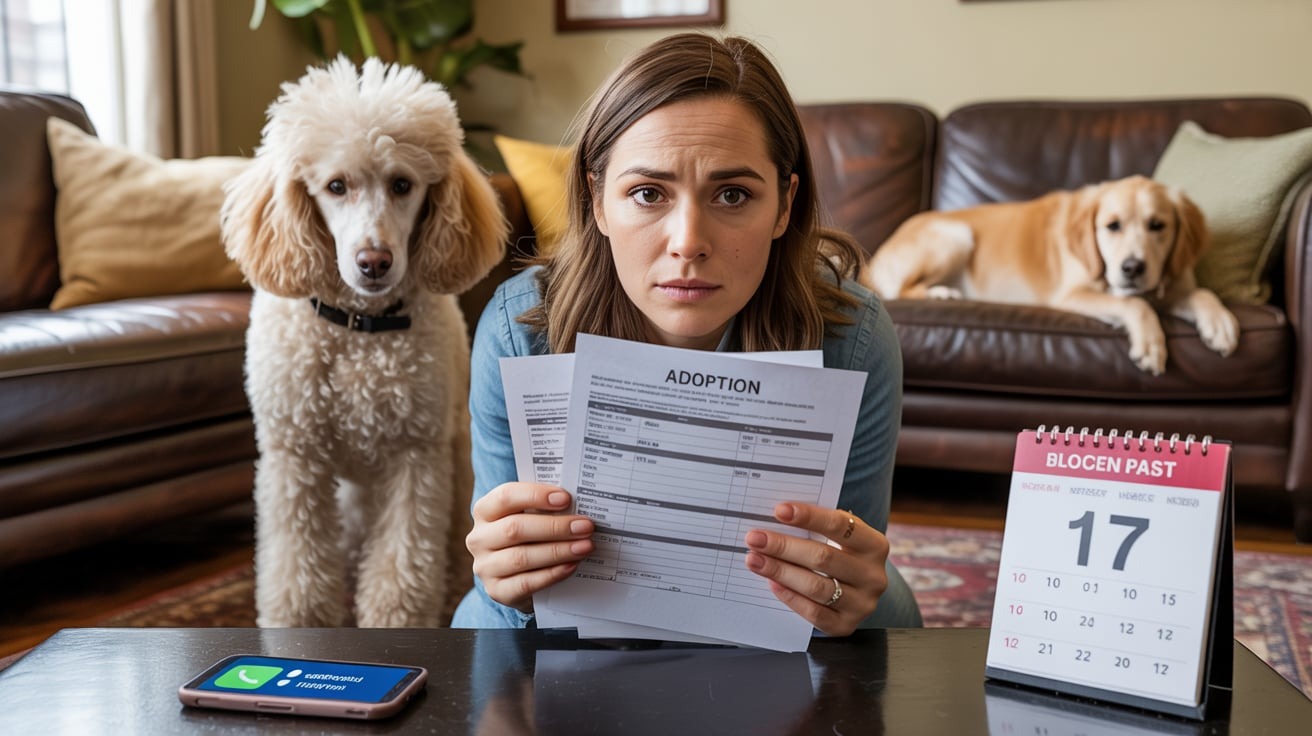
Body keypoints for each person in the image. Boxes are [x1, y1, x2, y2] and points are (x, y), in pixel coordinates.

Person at [452, 32, 922, 634]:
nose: (687, 242)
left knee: (892, 610)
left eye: (732, 194)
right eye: (648, 193)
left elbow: (848, 565)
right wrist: (506, 578)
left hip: (779, 636)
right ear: (597, 201)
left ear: (783, 205)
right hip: (577, 626)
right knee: (480, 622)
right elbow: (497, 572)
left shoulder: (853, 335)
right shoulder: (518, 329)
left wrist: (849, 591)